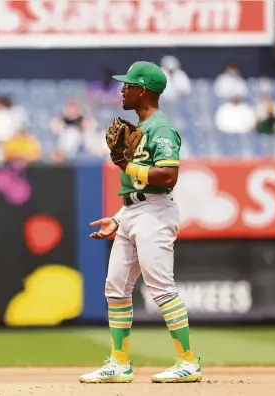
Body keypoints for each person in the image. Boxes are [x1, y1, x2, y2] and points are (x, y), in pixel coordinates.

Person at [79, 61, 201, 384]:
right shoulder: (141, 128)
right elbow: (137, 189)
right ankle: (119, 363)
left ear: (143, 90)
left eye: (128, 85)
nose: (122, 89)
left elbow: (168, 176)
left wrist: (126, 165)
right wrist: (119, 218)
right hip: (133, 211)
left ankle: (187, 361)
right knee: (115, 288)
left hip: (155, 213)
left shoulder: (160, 127)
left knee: (161, 288)